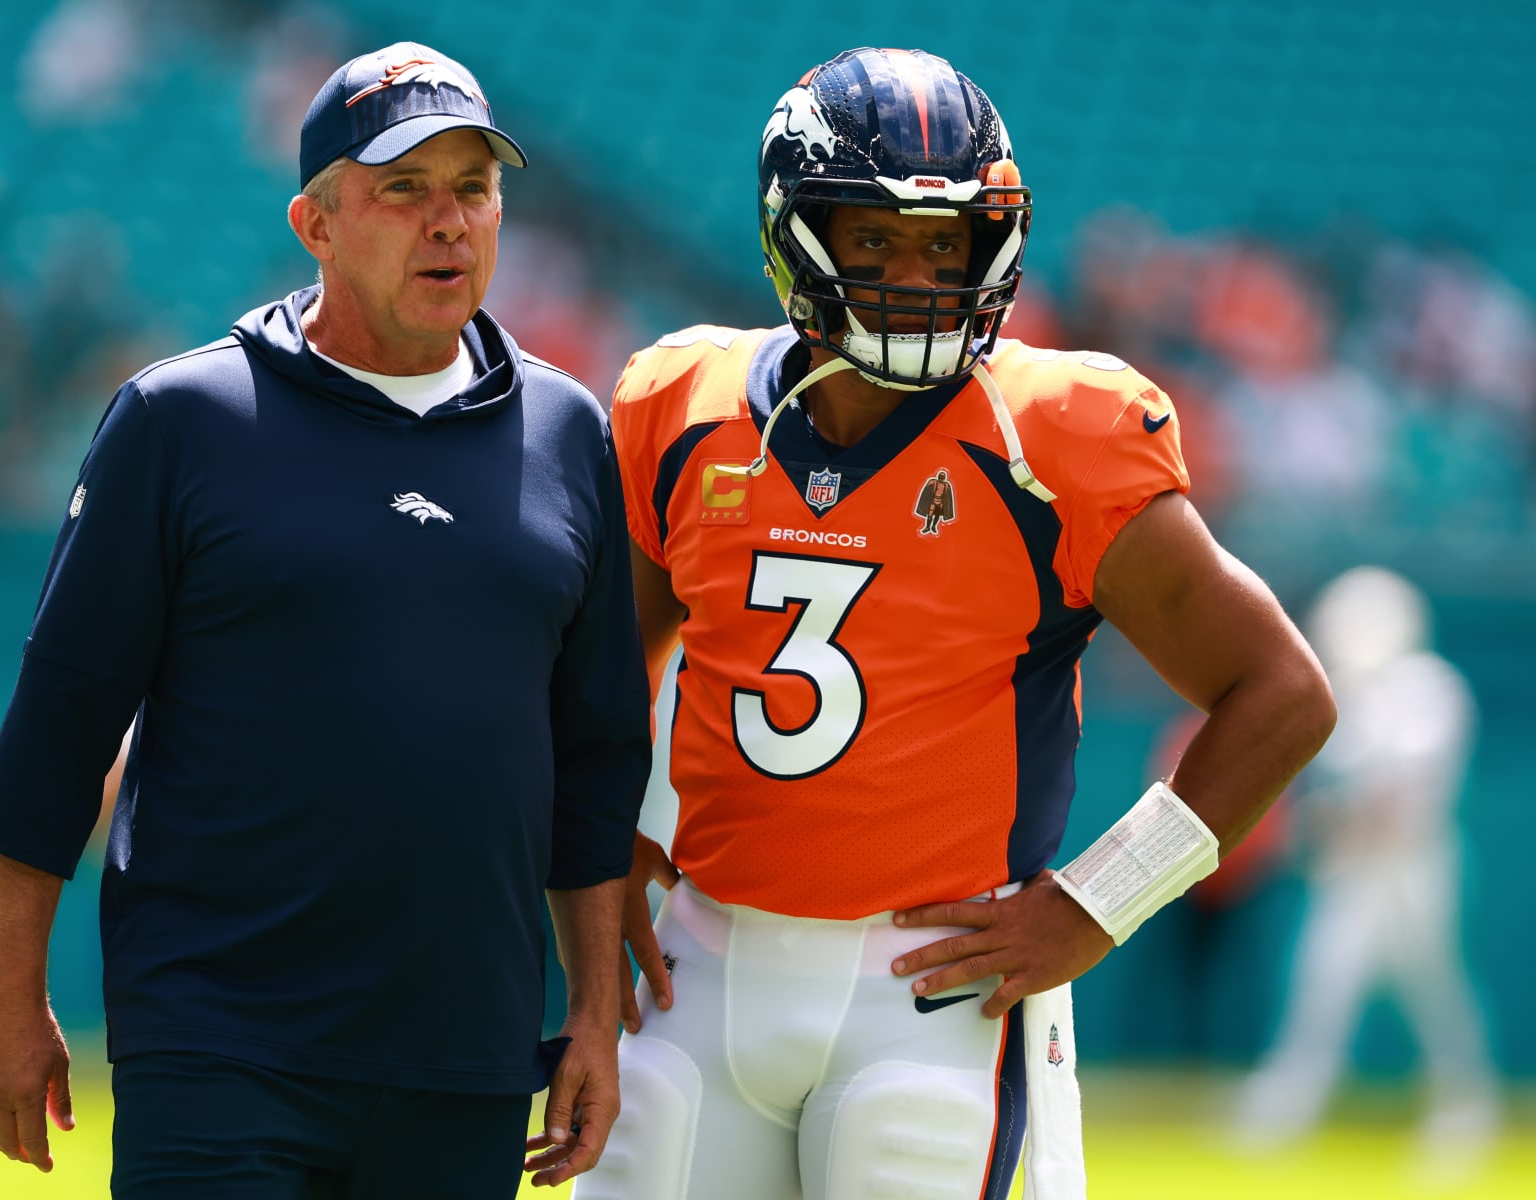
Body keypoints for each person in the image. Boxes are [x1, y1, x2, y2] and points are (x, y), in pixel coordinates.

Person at [567, 47, 1336, 1200]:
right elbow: (609, 663)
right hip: (705, 960)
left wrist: (1095, 901)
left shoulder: (1054, 438)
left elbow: (1284, 695)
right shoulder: (683, 405)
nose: (918, 274)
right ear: (797, 233)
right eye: (874, 239)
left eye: (947, 243)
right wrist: (610, 843)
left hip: (930, 987)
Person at [0, 42, 650, 1198]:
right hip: (221, 1040)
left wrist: (589, 1015)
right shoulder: (184, 419)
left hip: (463, 1053)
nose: (449, 224)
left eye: (473, 190)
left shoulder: (568, 433)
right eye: (403, 190)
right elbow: (63, 716)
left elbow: (593, 756)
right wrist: (5, 983)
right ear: (315, 222)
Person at [1235, 566, 1500, 1169]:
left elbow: (1401, 789)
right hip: (1353, 873)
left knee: (1436, 994)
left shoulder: (1432, 689)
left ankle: (1465, 1112)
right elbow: (1332, 794)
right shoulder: (1344, 693)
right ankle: (1286, 1108)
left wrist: (1343, 815)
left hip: (1414, 870)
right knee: (1321, 987)